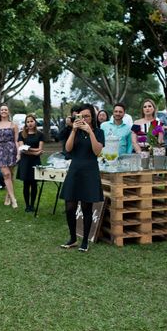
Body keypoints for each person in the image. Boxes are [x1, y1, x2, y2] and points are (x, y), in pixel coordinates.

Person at [59, 104, 105, 252]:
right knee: (70, 206)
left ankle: (85, 241)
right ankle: (72, 238)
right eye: (81, 116)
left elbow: (97, 151)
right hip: (75, 170)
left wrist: (90, 132)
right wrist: (73, 129)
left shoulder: (99, 132)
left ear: (92, 118)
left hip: (90, 171)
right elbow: (68, 148)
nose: (84, 119)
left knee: (86, 207)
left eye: (87, 116)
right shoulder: (74, 131)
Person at [16, 114, 44, 213]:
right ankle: (27, 205)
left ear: (35, 122)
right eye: (28, 122)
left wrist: (29, 149)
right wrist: (35, 151)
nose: (30, 123)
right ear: (25, 123)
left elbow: (41, 149)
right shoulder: (21, 134)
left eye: (31, 121)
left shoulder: (40, 134)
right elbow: (22, 149)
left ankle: (32, 205)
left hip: (35, 162)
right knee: (26, 184)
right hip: (25, 162)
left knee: (34, 184)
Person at [0, 105, 19, 208]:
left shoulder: (13, 125)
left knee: (11, 174)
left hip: (11, 150)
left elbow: (16, 140)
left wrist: (18, 153)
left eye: (5, 110)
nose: (3, 111)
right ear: (0, 112)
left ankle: (8, 195)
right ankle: (13, 199)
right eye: (2, 110)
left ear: (8, 112)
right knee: (6, 174)